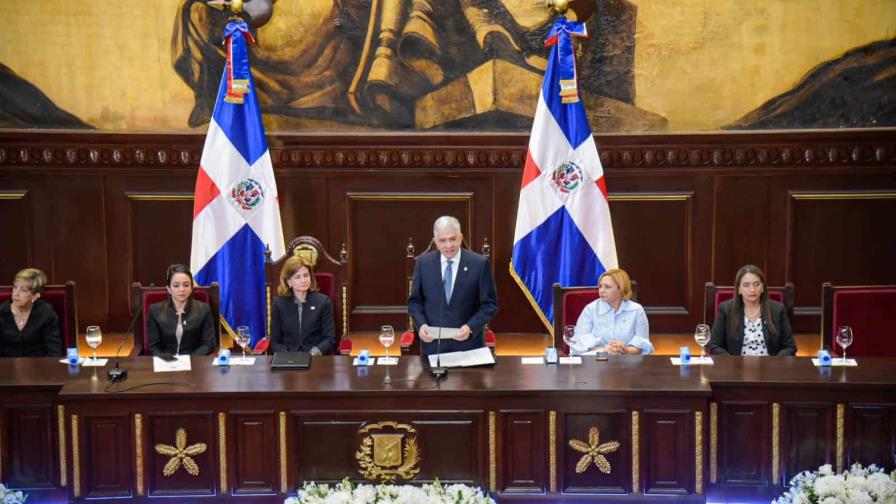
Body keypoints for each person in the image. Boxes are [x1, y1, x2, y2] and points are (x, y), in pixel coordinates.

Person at [408, 216, 499, 356]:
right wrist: (422, 325)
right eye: (443, 240)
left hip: (468, 346)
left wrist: (470, 327)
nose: (448, 245)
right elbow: (414, 302)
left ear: (460, 237)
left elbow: (490, 304)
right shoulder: (423, 263)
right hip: (433, 347)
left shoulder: (479, 264)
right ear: (435, 241)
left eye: (453, 239)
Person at [708, 264, 796, 356]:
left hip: (770, 368)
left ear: (762, 287)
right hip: (736, 368)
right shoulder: (726, 309)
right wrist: (733, 363)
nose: (752, 290)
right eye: (746, 285)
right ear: (739, 289)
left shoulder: (778, 310)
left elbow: (790, 347)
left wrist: (774, 363)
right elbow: (714, 345)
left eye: (757, 284)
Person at [569, 268, 653, 355]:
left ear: (621, 289)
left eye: (607, 287)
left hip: (626, 363)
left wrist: (625, 350)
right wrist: (605, 351)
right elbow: (578, 346)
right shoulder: (591, 309)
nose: (601, 290)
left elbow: (641, 347)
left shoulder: (637, 310)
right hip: (596, 363)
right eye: (600, 286)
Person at [269, 256, 335, 355]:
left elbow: (329, 339)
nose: (303, 280)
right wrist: (288, 355)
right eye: (298, 277)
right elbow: (275, 342)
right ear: (289, 281)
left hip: (316, 358)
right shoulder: (279, 304)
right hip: (288, 359)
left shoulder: (323, 302)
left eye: (306, 275)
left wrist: (313, 353)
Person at [147, 264, 215, 356]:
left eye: (186, 285)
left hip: (194, 362)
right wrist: (169, 361)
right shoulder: (155, 310)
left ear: (191, 288)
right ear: (169, 289)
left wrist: (188, 360)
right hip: (165, 363)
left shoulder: (203, 309)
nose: (181, 289)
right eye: (176, 286)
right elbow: (153, 346)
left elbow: (208, 344)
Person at [0, 268, 62, 357]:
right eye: (15, 287)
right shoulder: (2, 312)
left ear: (35, 296)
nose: (16, 294)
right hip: (8, 368)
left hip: (40, 367)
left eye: (23, 290)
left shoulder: (46, 313)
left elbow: (54, 352)